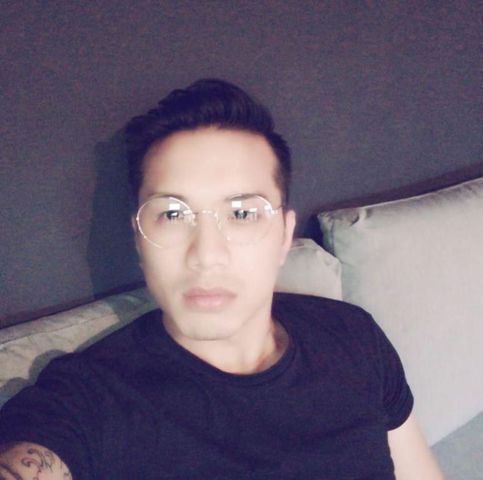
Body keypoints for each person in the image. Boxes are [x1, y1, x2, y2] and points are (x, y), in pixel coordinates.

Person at [0, 79, 444, 479]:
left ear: (284, 235)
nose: (206, 255)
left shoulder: (354, 336)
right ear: (138, 240)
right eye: (172, 214)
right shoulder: (92, 400)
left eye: (243, 213)